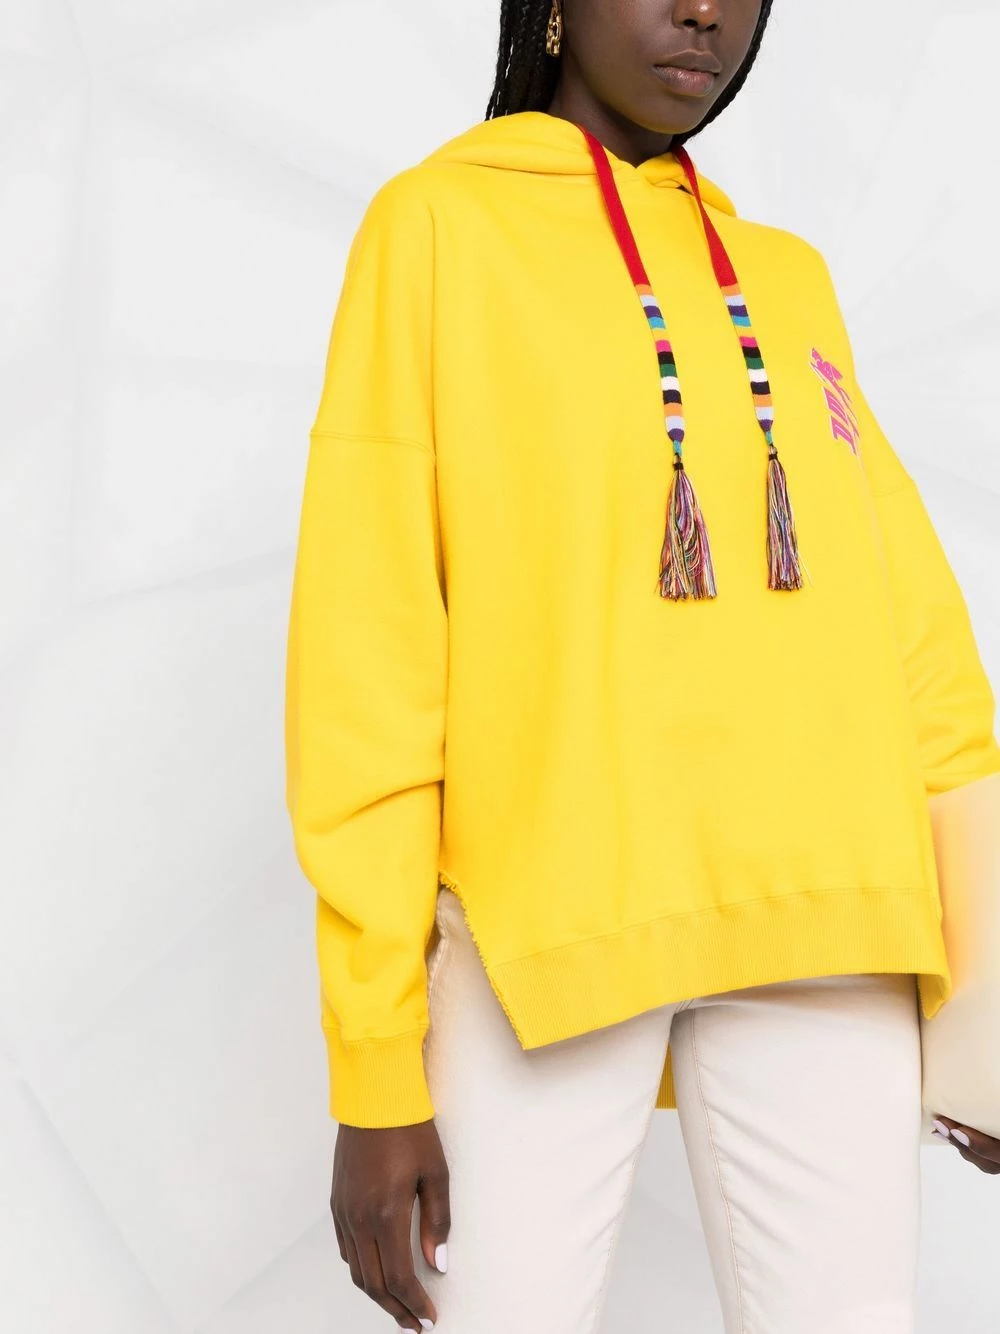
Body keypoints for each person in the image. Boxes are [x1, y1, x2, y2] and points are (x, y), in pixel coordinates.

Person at [283, 2, 1000, 1331]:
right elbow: (370, 655)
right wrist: (375, 1068)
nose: (705, 10)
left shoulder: (787, 278)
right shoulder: (438, 229)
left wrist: (993, 995)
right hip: (546, 935)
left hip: (829, 924)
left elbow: (914, 641)